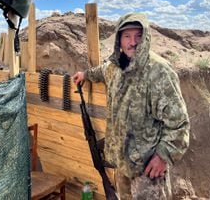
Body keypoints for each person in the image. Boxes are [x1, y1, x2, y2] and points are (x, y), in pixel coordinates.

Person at [73, 12, 190, 199]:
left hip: (148, 173)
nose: (132, 42)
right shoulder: (115, 66)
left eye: (138, 36)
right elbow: (101, 71)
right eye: (127, 36)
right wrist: (85, 75)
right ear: (119, 39)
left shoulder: (159, 71)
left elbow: (179, 123)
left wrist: (163, 155)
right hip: (122, 166)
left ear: (146, 38)